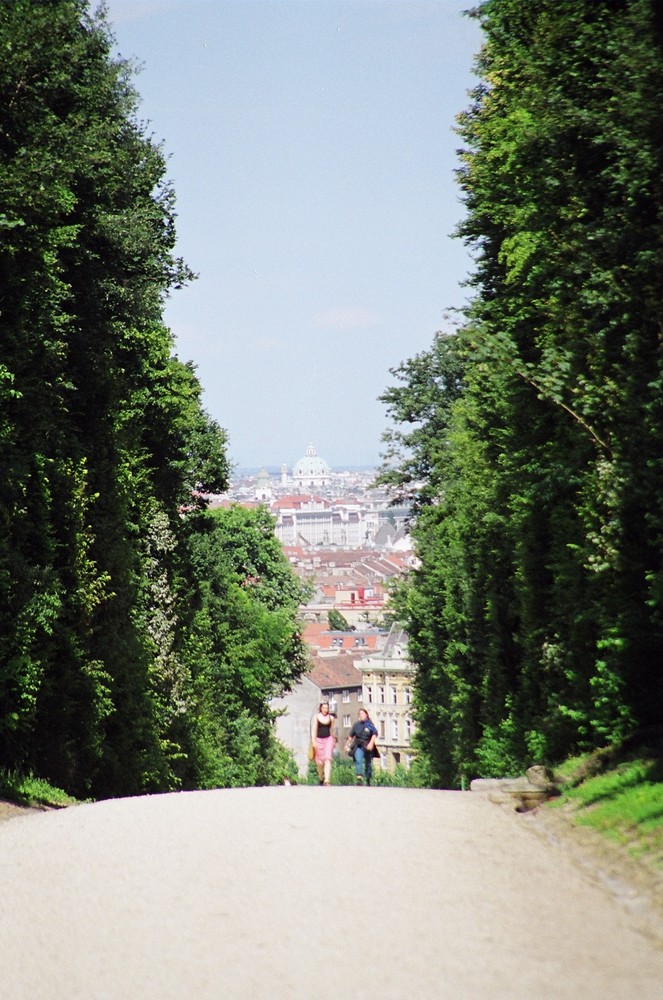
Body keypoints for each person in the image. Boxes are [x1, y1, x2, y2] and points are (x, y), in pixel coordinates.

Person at [345, 708, 378, 785]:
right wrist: (347, 744)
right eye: (360, 714)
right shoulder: (356, 725)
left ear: (366, 714)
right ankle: (359, 779)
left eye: (363, 713)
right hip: (358, 745)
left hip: (367, 745)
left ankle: (368, 778)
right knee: (358, 760)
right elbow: (351, 736)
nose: (361, 715)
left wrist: (371, 743)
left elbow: (374, 734)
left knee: (368, 763)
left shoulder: (370, 724)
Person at [311, 701, 336, 785]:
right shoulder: (316, 717)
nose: (325, 710)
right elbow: (314, 729)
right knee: (319, 762)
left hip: (328, 739)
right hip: (318, 740)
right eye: (324, 708)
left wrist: (334, 740)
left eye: (327, 708)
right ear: (321, 708)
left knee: (328, 759)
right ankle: (321, 778)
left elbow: (332, 730)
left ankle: (327, 780)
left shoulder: (331, 718)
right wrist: (313, 741)